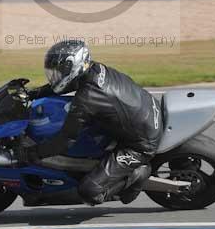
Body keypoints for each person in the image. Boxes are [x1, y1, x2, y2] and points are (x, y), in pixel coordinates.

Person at [13, 39, 163, 206]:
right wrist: (35, 93)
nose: (55, 76)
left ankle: (138, 175)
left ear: (73, 67)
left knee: (89, 192)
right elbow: (69, 84)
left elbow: (64, 141)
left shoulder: (87, 99)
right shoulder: (95, 69)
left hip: (140, 144)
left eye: (59, 72)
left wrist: (30, 154)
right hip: (147, 112)